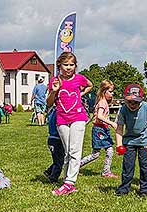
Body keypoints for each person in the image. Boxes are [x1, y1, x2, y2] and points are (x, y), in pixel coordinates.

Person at [47, 52, 93, 196]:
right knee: (67, 151)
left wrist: (81, 94)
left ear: (75, 66)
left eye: (71, 65)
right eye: (65, 65)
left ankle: (69, 183)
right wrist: (54, 91)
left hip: (78, 118)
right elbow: (49, 103)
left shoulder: (79, 78)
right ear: (59, 65)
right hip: (62, 119)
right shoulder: (55, 80)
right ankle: (68, 182)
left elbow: (90, 85)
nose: (68, 68)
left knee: (74, 150)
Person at [115, 85, 147, 196]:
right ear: (125, 99)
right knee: (127, 167)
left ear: (141, 100)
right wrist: (119, 144)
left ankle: (145, 189)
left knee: (145, 167)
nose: (132, 105)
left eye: (136, 102)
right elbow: (119, 128)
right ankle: (124, 188)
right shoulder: (123, 109)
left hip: (144, 141)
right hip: (129, 142)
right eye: (130, 102)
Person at [80, 80, 118, 178]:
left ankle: (106, 171)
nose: (112, 94)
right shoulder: (102, 103)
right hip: (99, 130)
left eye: (112, 91)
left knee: (109, 150)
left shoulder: (104, 102)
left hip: (104, 129)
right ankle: (76, 166)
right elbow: (100, 117)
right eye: (110, 91)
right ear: (104, 91)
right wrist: (111, 123)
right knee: (96, 154)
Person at [43, 106, 65, 183]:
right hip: (57, 139)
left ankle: (49, 171)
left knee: (58, 159)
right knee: (59, 162)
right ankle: (53, 178)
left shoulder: (52, 111)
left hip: (51, 139)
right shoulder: (59, 112)